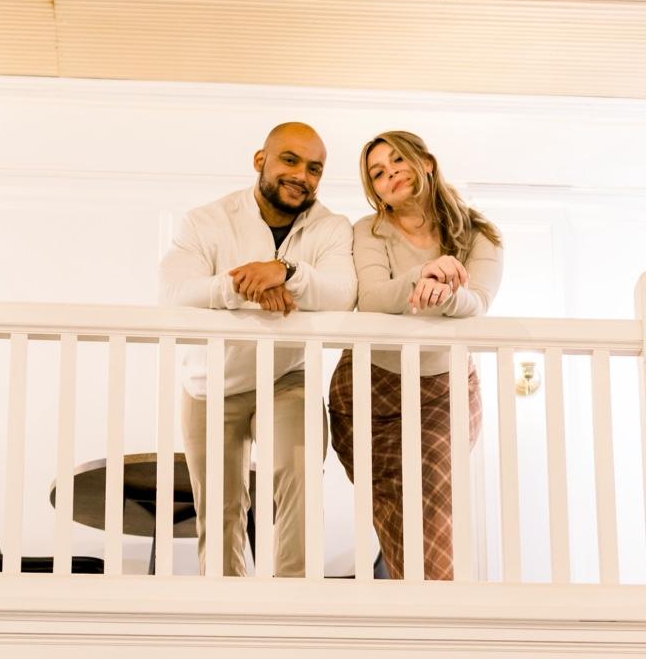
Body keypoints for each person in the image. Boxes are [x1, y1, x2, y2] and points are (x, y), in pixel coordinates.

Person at [158, 123, 356, 576]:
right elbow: (173, 294)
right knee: (220, 507)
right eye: (290, 160)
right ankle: (225, 603)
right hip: (207, 383)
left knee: (299, 479)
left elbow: (343, 293)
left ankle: (292, 598)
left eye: (314, 168)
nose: (301, 175)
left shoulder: (331, 227)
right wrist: (242, 285)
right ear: (260, 160)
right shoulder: (206, 220)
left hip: (285, 376)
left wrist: (286, 272)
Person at [329, 130, 503, 580]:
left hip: (443, 389)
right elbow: (372, 298)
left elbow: (478, 302)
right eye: (378, 173)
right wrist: (422, 274)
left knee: (434, 498)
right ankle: (419, 606)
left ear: (425, 162)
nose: (390, 174)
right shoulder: (367, 231)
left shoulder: (480, 235)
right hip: (370, 388)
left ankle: (437, 607)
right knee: (391, 503)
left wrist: (444, 294)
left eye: (398, 161)